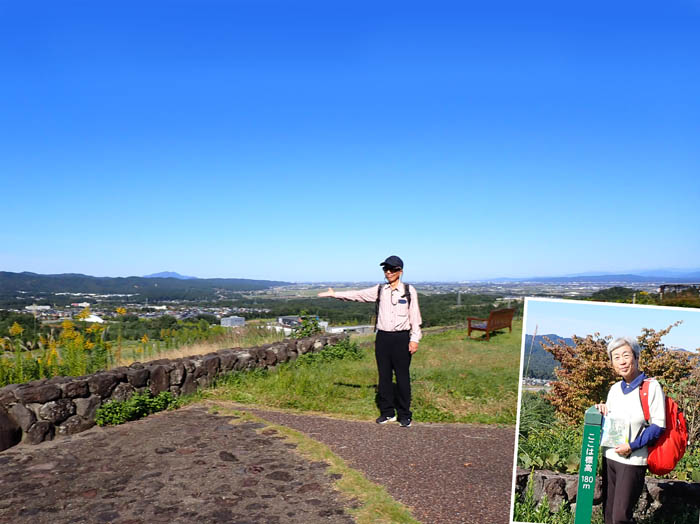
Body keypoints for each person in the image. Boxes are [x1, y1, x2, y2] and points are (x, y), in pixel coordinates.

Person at [317, 255, 422, 427]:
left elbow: (415, 317)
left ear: (400, 271)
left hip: (402, 338)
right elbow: (358, 295)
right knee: (384, 377)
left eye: (392, 269)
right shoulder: (380, 290)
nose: (388, 272)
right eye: (385, 269)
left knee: (402, 378)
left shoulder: (409, 291)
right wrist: (334, 294)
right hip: (383, 338)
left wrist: (415, 339)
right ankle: (388, 413)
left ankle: (405, 414)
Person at [594, 337, 666, 524]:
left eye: (626, 355)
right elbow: (611, 420)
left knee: (620, 517)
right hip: (609, 457)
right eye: (616, 357)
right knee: (608, 515)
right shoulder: (615, 389)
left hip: (632, 460)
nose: (622, 361)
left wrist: (632, 446)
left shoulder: (651, 387)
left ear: (636, 357)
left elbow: (658, 426)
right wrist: (602, 410)